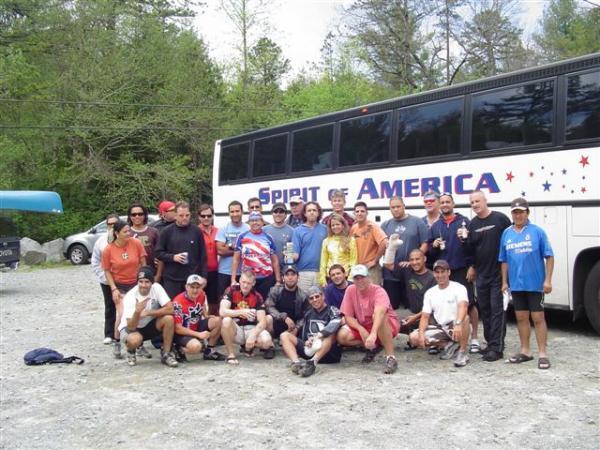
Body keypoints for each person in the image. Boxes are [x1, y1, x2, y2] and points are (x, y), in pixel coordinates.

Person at [499, 198, 554, 370]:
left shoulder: (537, 232)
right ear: (512, 214)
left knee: (538, 318)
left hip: (535, 284)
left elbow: (549, 256)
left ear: (527, 213)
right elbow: (504, 260)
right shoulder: (507, 233)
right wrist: (504, 282)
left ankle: (543, 354)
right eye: (515, 212)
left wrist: (548, 280)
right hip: (516, 284)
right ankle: (526, 351)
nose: (518, 215)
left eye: (521, 211)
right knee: (521, 318)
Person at [427, 193, 480, 353]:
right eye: (442, 202)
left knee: (469, 305)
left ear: (453, 204)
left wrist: (473, 266)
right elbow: (429, 253)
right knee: (441, 305)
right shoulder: (436, 226)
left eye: (447, 202)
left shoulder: (464, 222)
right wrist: (434, 246)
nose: (444, 205)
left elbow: (473, 246)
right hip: (443, 272)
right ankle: (441, 340)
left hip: (462, 269)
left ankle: (475, 338)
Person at [466, 191, 511, 362]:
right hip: (482, 273)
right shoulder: (472, 224)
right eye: (472, 202)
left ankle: (497, 347)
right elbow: (470, 249)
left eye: (477, 201)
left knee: (497, 310)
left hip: (499, 274)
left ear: (485, 201)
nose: (475, 204)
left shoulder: (500, 219)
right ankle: (490, 343)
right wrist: (472, 266)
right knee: (486, 310)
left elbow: (511, 240)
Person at [337, 264, 399, 374]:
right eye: (356, 278)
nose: (360, 281)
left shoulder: (378, 291)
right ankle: (374, 345)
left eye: (362, 277)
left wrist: (373, 333)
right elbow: (348, 316)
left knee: (379, 317)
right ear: (353, 280)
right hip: (365, 325)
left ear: (368, 277)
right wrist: (361, 330)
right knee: (341, 336)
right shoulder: (350, 290)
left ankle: (391, 357)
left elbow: (380, 313)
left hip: (386, 323)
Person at [410, 260, 471, 368]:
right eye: (437, 272)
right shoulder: (430, 293)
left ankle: (462, 353)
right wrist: (420, 335)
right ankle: (449, 345)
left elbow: (463, 306)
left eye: (443, 272)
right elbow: (425, 316)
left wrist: (458, 323)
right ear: (434, 274)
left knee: (465, 318)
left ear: (449, 272)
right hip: (441, 327)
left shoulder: (459, 288)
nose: (440, 275)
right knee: (413, 337)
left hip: (456, 325)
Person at [102, 220, 147, 358]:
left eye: (129, 231)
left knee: (138, 313)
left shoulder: (136, 243)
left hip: (135, 284)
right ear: (117, 233)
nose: (129, 234)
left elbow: (143, 263)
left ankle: (139, 344)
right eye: (125, 231)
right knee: (122, 314)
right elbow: (107, 270)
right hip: (119, 284)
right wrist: (114, 288)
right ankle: (117, 341)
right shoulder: (108, 249)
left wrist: (143, 283)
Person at [119, 266, 178, 367]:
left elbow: (171, 309)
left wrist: (148, 312)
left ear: (152, 283)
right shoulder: (131, 296)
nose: (143, 285)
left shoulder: (157, 288)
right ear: (137, 282)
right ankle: (131, 350)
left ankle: (166, 353)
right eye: (140, 281)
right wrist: (137, 312)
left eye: (147, 282)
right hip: (132, 328)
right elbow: (130, 327)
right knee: (135, 340)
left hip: (148, 324)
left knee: (169, 319)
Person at [280, 285, 343, 377]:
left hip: (328, 352)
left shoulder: (332, 310)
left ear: (323, 296)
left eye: (317, 296)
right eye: (311, 298)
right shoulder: (308, 313)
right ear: (309, 301)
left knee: (331, 334)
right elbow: (304, 332)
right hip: (310, 349)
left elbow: (335, 323)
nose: (315, 300)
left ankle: (313, 363)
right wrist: (307, 341)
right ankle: (296, 363)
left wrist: (318, 336)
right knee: (284, 335)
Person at [380, 196, 429, 309]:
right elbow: (381, 246)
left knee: (412, 306)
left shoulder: (417, 222)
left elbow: (425, 243)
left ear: (404, 206)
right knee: (391, 307)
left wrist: (414, 261)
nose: (396, 209)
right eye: (393, 207)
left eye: (398, 206)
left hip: (411, 273)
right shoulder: (385, 225)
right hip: (390, 274)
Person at [155, 201, 208, 299]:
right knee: (173, 308)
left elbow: (203, 255)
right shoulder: (167, 231)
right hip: (172, 279)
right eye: (181, 215)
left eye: (187, 215)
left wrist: (204, 276)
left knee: (192, 307)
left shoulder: (196, 231)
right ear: (175, 215)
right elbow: (158, 253)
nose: (185, 218)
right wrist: (173, 257)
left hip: (192, 279)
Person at [219, 270, 275, 364]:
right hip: (236, 329)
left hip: (251, 328)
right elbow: (222, 311)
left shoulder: (257, 296)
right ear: (240, 280)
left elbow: (262, 321)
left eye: (248, 283)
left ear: (253, 283)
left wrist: (253, 335)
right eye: (243, 282)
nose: (245, 285)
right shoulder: (231, 290)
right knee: (226, 320)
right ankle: (231, 354)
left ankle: (249, 347)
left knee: (266, 342)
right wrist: (241, 312)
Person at [384, 249, 436, 347]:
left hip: (429, 316)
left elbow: (434, 306)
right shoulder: (407, 271)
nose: (415, 262)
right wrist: (392, 245)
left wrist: (415, 318)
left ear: (424, 259)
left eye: (417, 259)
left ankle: (421, 338)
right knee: (387, 320)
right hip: (411, 311)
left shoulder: (432, 277)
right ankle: (410, 333)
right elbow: (387, 264)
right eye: (412, 260)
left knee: (430, 330)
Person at [172, 274, 226, 362]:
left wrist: (206, 315)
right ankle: (178, 349)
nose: (195, 290)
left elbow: (202, 306)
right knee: (196, 347)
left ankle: (210, 351)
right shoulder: (178, 302)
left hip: (196, 326)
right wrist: (198, 335)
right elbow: (178, 328)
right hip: (181, 333)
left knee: (218, 320)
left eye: (198, 287)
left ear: (201, 287)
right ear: (186, 287)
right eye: (192, 287)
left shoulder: (202, 295)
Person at [231, 211, 281, 300]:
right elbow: (236, 260)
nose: (255, 223)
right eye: (252, 220)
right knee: (248, 305)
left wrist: (278, 280)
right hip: (248, 279)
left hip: (266, 278)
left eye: (258, 220)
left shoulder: (268, 237)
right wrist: (233, 279)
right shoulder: (242, 237)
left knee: (265, 305)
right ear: (249, 222)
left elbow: (275, 260)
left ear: (262, 222)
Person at [91, 213, 119, 345]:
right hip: (106, 280)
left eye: (114, 224)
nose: (112, 226)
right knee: (110, 306)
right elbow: (95, 261)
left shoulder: (126, 238)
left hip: (124, 279)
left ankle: (123, 332)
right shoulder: (101, 241)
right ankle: (109, 333)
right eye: (109, 224)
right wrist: (103, 277)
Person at [215, 201, 250, 297]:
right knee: (222, 301)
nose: (235, 214)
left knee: (242, 302)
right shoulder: (223, 229)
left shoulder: (248, 229)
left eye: (237, 211)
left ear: (242, 212)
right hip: (225, 272)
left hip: (244, 273)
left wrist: (229, 246)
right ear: (229, 213)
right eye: (232, 211)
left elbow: (250, 250)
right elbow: (220, 250)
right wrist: (240, 250)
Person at [292, 201, 328, 291]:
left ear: (318, 213)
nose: (312, 212)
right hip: (303, 273)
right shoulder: (297, 231)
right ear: (305, 213)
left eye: (314, 210)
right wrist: (288, 256)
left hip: (322, 273)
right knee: (303, 302)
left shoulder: (325, 229)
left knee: (320, 302)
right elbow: (295, 255)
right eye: (309, 210)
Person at [265, 265, 308, 339]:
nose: (290, 277)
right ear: (283, 278)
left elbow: (305, 316)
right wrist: (284, 317)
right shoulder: (275, 290)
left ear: (298, 277)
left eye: (293, 275)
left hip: (293, 327)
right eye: (287, 275)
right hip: (276, 324)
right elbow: (269, 307)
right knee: (268, 318)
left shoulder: (303, 296)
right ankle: (271, 343)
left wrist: (297, 328)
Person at [350, 201, 387, 285]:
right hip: (357, 269)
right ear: (354, 213)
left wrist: (375, 260)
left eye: (362, 211)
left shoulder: (372, 226)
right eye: (357, 211)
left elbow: (384, 242)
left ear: (367, 213)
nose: (359, 213)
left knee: (373, 295)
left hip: (371, 269)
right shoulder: (353, 228)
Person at [319, 213, 357, 286]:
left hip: (346, 277)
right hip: (330, 277)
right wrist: (322, 279)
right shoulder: (326, 241)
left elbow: (353, 261)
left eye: (337, 224)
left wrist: (350, 279)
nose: (335, 227)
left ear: (343, 225)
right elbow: (323, 262)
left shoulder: (351, 240)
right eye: (333, 225)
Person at [197, 204, 220, 316]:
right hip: (200, 272)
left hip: (216, 271)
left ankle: (213, 324)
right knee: (199, 300)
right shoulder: (195, 231)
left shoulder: (218, 231)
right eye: (203, 216)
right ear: (199, 217)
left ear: (212, 216)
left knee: (214, 301)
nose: (206, 218)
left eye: (209, 216)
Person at [127, 202, 159, 270]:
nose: (137, 216)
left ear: (145, 215)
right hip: (131, 272)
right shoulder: (126, 233)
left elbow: (160, 252)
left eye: (140, 214)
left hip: (151, 271)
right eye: (134, 214)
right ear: (130, 216)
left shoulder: (154, 231)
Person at [264, 202, 294, 271]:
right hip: (267, 270)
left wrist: (288, 269)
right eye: (275, 212)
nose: (278, 214)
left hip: (285, 270)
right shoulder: (264, 230)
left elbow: (290, 256)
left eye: (281, 212)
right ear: (272, 214)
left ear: (285, 215)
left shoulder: (292, 231)